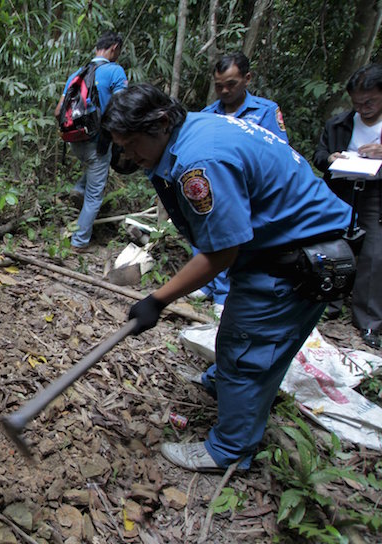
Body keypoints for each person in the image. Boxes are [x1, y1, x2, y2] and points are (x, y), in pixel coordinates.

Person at [102, 84, 352, 471]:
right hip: (279, 246)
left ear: (162, 123)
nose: (129, 156)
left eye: (133, 143)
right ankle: (232, 386)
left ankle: (229, 450)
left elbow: (221, 251)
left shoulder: (199, 162)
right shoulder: (194, 130)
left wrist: (157, 300)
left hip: (299, 257)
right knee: (241, 338)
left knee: (245, 349)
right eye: (122, 146)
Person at [194, 52, 289, 309]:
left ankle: (225, 296)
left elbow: (279, 152)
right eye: (219, 86)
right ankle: (206, 284)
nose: (224, 91)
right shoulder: (207, 114)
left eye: (231, 84)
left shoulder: (266, 111)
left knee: (234, 240)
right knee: (208, 232)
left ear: (247, 79)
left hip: (249, 189)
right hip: (215, 187)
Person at [313, 63, 382, 349]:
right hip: (342, 191)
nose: (363, 108)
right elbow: (319, 155)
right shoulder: (339, 123)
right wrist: (332, 159)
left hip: (376, 195)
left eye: (370, 102)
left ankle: (368, 322)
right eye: (358, 103)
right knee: (333, 247)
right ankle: (327, 305)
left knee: (374, 256)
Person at [53, 31, 127, 252]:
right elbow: (123, 108)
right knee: (95, 195)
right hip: (99, 141)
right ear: (114, 48)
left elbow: (58, 111)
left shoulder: (77, 73)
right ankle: (79, 242)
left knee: (95, 168)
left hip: (76, 142)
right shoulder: (115, 71)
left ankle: (78, 188)